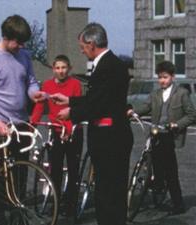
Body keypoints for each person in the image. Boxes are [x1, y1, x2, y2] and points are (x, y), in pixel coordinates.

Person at [51, 23, 133, 225]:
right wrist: (70, 100)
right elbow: (98, 97)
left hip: (109, 139)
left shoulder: (107, 66)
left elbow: (98, 104)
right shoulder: (112, 64)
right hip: (113, 137)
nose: (81, 50)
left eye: (82, 46)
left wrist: (72, 112)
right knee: (110, 192)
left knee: (107, 194)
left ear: (91, 43)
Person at [0, 14, 46, 224]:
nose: (21, 46)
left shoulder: (24, 55)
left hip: (21, 126)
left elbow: (31, 81)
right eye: (18, 42)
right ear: (6, 37)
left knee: (21, 179)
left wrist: (34, 93)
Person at [127, 61, 196, 215]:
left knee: (171, 170)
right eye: (159, 78)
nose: (162, 81)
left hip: (170, 135)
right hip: (155, 133)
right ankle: (157, 186)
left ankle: (178, 205)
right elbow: (146, 107)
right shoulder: (155, 94)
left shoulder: (181, 93)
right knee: (155, 163)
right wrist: (133, 112)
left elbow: (192, 115)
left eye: (165, 77)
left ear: (172, 77)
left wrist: (177, 124)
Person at [30, 54, 83, 217]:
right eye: (57, 68)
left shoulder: (75, 84)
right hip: (56, 131)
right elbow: (39, 107)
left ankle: (71, 206)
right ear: (53, 69)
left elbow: (77, 109)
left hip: (73, 130)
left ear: (69, 69)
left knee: (73, 170)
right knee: (55, 170)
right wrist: (32, 124)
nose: (61, 71)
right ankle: (56, 204)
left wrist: (68, 128)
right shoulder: (46, 85)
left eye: (64, 67)